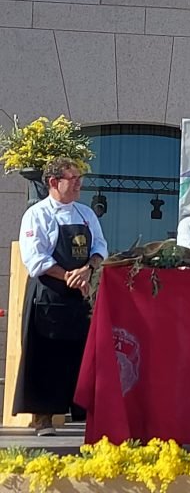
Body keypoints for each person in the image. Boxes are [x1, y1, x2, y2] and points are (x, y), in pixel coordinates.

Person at [14, 157, 108, 436]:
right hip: (49, 295)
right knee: (46, 355)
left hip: (79, 297)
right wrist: (69, 276)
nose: (79, 183)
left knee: (78, 355)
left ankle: (80, 414)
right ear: (54, 182)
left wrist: (89, 269)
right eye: (73, 178)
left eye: (80, 178)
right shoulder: (37, 214)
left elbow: (100, 245)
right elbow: (35, 258)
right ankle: (44, 417)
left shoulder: (85, 214)